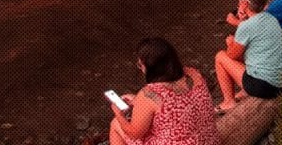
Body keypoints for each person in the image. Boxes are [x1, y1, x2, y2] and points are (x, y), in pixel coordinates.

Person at [91, 37, 219, 145]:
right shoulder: (193, 73)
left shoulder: (150, 93)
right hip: (209, 141)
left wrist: (118, 113)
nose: (141, 68)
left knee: (116, 124)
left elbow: (134, 133)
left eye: (140, 65)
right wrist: (138, 101)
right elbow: (177, 101)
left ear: (150, 66)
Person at [215, 0, 282, 113]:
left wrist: (231, 43)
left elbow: (232, 55)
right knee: (254, 53)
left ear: (244, 4)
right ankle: (245, 91)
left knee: (220, 56)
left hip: (267, 87)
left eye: (240, 1)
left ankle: (229, 102)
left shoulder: (246, 27)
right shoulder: (271, 18)